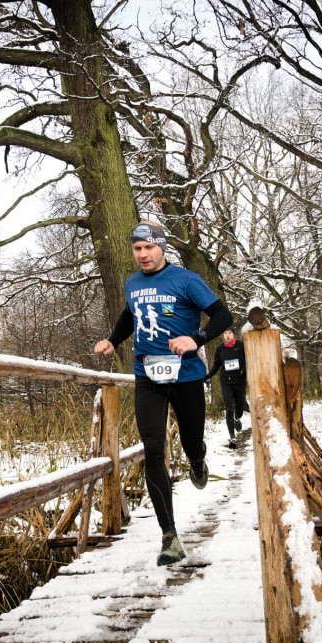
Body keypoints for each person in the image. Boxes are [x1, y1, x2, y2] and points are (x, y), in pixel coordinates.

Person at [94, 221, 232, 566]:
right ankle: (169, 536)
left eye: (149, 248)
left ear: (162, 248)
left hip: (186, 375)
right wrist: (113, 339)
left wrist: (196, 338)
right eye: (137, 249)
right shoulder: (133, 283)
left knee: (190, 441)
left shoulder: (185, 280)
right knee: (153, 450)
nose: (143, 254)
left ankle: (197, 458)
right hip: (147, 375)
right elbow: (130, 315)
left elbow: (222, 315)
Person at [205, 329, 247, 449]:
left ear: (233, 335)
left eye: (229, 333)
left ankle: (237, 418)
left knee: (239, 405)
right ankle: (232, 437)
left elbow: (248, 360)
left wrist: (245, 369)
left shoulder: (241, 346)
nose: (227, 335)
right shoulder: (220, 349)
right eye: (225, 333)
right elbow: (217, 365)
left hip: (239, 381)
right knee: (228, 408)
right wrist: (208, 375)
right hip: (226, 381)